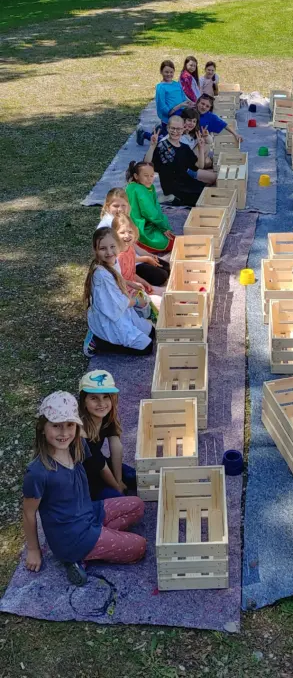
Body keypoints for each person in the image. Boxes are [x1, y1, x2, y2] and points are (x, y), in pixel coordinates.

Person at [23, 391, 146, 587]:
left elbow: (100, 460)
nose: (64, 433)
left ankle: (92, 547)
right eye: (56, 426)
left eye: (70, 425)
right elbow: (29, 513)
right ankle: (78, 557)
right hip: (72, 538)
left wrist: (118, 482)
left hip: (89, 512)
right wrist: (33, 550)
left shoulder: (78, 444)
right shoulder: (38, 472)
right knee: (139, 547)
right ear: (42, 428)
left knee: (137, 505)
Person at [83, 227, 154, 357]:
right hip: (111, 316)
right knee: (147, 348)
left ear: (118, 246)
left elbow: (116, 277)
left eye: (112, 246)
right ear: (95, 250)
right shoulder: (101, 275)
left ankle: (106, 336)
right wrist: (138, 301)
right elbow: (115, 305)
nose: (109, 252)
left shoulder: (113, 261)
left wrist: (129, 282)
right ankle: (99, 341)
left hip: (121, 310)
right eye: (103, 248)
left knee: (151, 332)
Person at [78, 371, 137, 501]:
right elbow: (100, 466)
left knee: (136, 477)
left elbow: (116, 447)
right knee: (120, 500)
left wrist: (119, 479)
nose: (101, 403)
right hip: (84, 480)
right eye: (94, 398)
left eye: (106, 397)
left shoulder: (105, 417)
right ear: (84, 401)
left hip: (100, 465)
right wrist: (117, 486)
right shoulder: (80, 432)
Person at [145, 116, 216, 207]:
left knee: (211, 192)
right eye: (172, 128)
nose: (175, 131)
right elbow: (147, 164)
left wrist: (201, 148)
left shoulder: (184, 147)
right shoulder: (161, 146)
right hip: (173, 188)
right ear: (167, 128)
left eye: (178, 129)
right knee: (207, 200)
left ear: (183, 130)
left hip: (187, 183)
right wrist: (152, 146)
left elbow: (199, 166)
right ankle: (170, 198)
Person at [125, 160, 175, 252]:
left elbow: (156, 208)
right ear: (136, 176)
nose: (149, 179)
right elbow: (149, 212)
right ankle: (138, 243)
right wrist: (163, 227)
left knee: (170, 235)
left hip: (149, 221)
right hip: (138, 226)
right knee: (171, 242)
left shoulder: (148, 187)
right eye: (146, 176)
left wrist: (163, 224)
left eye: (152, 176)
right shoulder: (138, 189)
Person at [113, 213, 170, 291]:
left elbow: (132, 273)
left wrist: (145, 283)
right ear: (114, 234)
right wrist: (136, 285)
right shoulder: (118, 257)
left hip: (133, 284)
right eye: (122, 232)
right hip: (127, 290)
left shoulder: (130, 248)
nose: (127, 235)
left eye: (130, 232)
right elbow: (119, 281)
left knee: (168, 268)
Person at [155, 60, 194, 136]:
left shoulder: (177, 84)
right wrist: (179, 106)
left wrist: (191, 103)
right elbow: (162, 106)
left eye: (171, 72)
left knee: (177, 137)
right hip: (168, 118)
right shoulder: (161, 87)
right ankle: (144, 134)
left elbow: (183, 97)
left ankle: (160, 130)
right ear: (161, 72)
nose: (169, 74)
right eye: (166, 72)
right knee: (165, 142)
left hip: (180, 115)